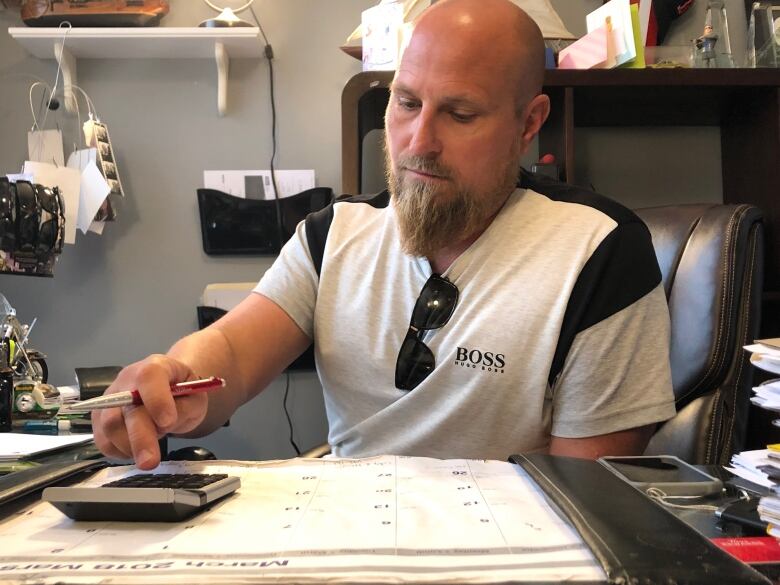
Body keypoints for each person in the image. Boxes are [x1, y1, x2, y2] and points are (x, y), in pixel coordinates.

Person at [94, 0, 676, 470]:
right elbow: (231, 357)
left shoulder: (599, 251)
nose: (418, 141)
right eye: (406, 102)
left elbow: (582, 499)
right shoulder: (331, 236)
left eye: (461, 113)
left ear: (528, 123)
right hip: (345, 537)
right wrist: (173, 377)